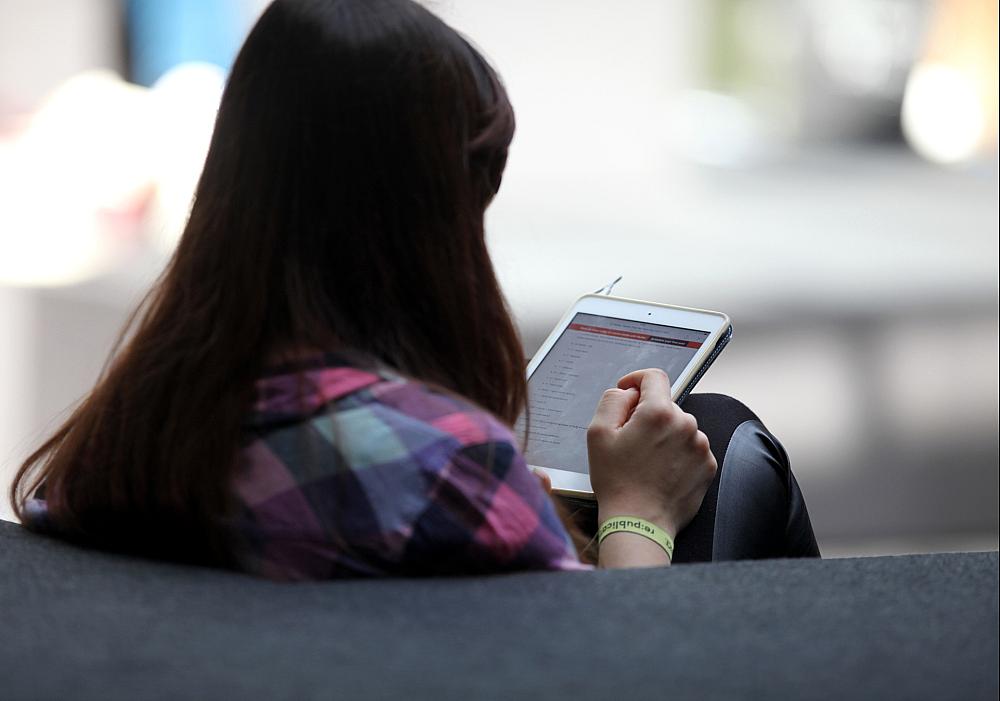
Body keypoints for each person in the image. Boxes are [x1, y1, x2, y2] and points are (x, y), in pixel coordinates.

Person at [9, 0, 818, 579]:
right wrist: (637, 510)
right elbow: (616, 668)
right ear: (420, 227)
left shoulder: (126, 433)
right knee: (727, 439)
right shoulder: (446, 470)